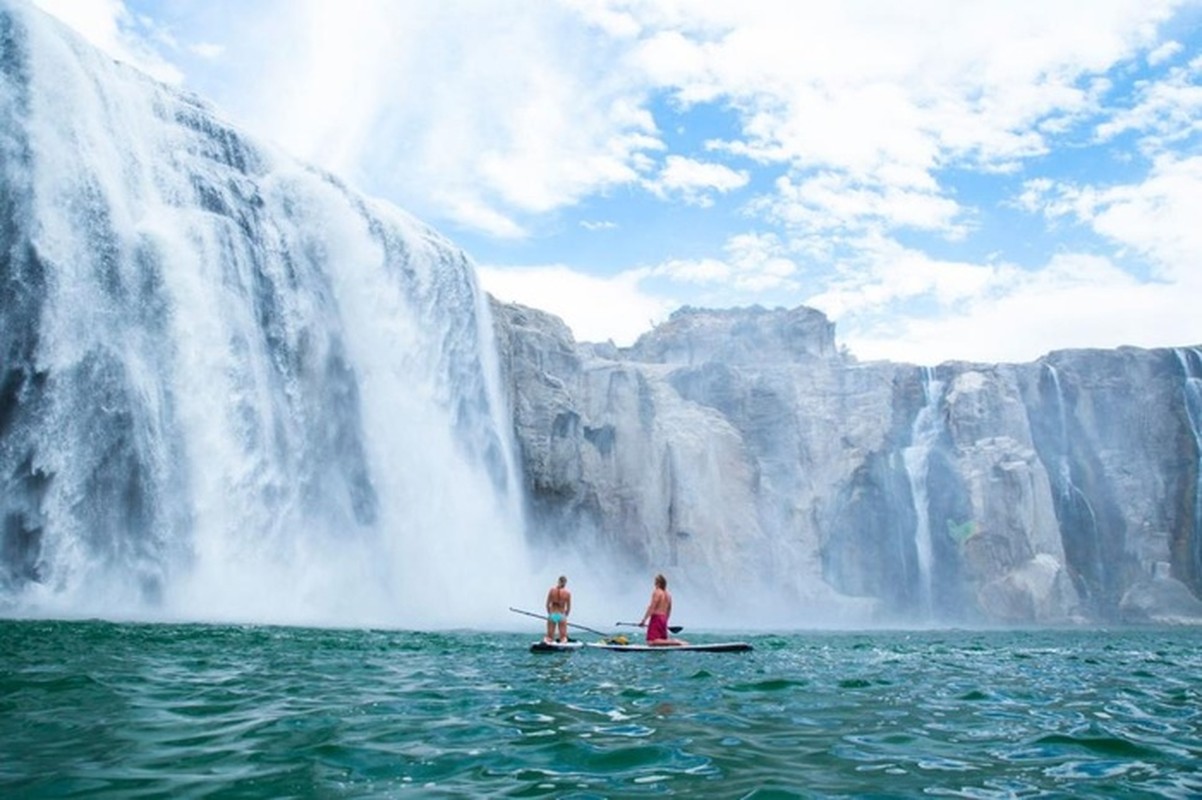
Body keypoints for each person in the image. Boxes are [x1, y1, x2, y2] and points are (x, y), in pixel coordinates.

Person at [639, 573, 686, 646]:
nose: (654, 584)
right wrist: (665, 621)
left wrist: (643, 620)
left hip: (656, 618)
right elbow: (669, 609)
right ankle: (675, 642)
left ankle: (675, 642)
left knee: (651, 641)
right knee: (662, 640)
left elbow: (652, 607)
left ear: (657, 583)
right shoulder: (668, 595)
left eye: (655, 582)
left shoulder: (657, 592)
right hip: (664, 618)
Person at [544, 575, 571, 643]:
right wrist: (565, 616)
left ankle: (548, 642)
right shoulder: (567, 593)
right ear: (565, 583)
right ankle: (563, 643)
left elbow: (547, 605)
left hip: (552, 614)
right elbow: (568, 608)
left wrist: (550, 613)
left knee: (549, 636)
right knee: (563, 637)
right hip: (561, 615)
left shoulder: (552, 591)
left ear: (558, 581)